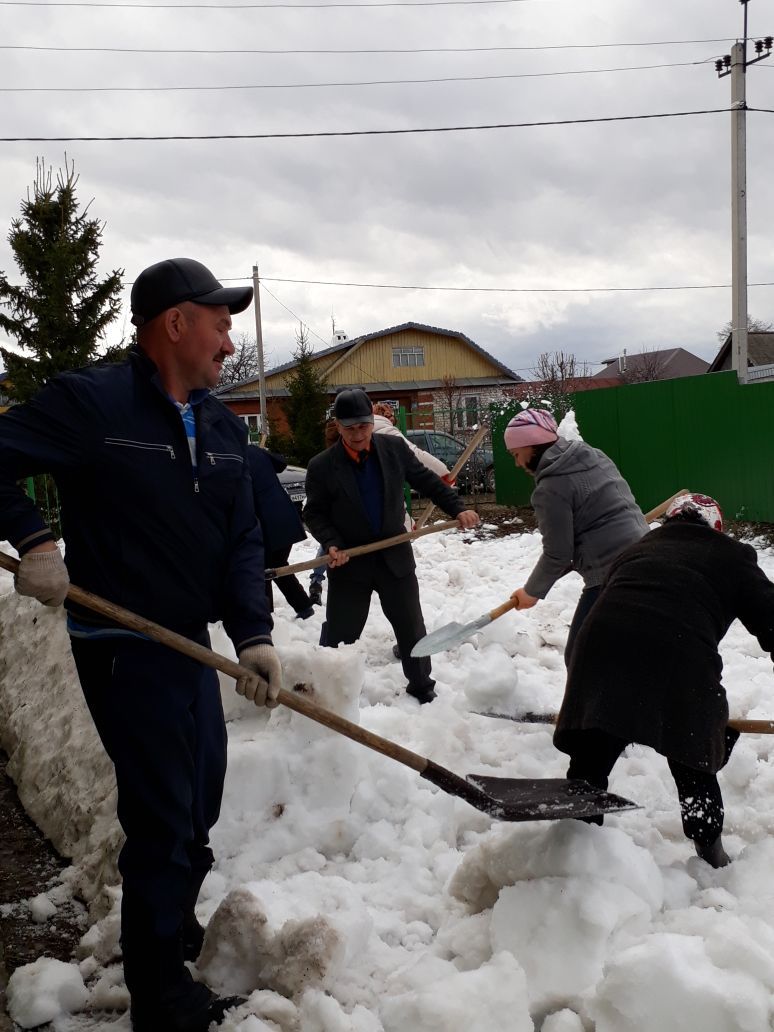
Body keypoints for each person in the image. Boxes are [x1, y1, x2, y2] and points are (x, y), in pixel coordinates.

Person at [0, 258, 284, 1031]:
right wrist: (34, 539)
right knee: (161, 815)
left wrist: (253, 634)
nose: (230, 343)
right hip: (122, 641)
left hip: (188, 642)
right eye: (221, 324)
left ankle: (168, 922)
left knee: (200, 800)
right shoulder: (92, 404)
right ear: (175, 324)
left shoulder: (225, 429)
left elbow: (243, 540)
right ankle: (162, 993)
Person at [554, 493, 774, 868]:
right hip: (677, 655)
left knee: (593, 752)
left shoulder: (639, 547)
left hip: (600, 649)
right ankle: (709, 849)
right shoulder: (732, 555)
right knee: (691, 750)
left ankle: (579, 840)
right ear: (716, 528)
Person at [303, 387, 480, 704]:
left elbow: (428, 482)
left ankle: (422, 686)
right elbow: (313, 513)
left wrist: (458, 508)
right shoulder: (322, 466)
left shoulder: (393, 448)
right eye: (350, 428)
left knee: (412, 627)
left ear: (372, 422)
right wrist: (331, 543)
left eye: (363, 426)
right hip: (350, 562)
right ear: (338, 427)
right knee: (340, 633)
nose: (358, 434)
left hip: (394, 557)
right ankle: (329, 690)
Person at [504, 408, 648, 663]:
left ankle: (594, 703)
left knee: (581, 656)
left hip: (610, 575)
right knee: (631, 649)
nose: (517, 463)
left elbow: (557, 553)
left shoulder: (550, 488)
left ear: (531, 445)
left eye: (517, 454)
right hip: (647, 553)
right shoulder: (594, 455)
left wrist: (531, 591)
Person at [371, 401, 454, 659]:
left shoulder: (366, 432)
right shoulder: (385, 431)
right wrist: (444, 473)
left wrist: (406, 523)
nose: (392, 418)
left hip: (372, 516)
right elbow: (416, 456)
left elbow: (389, 494)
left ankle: (332, 651)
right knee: (401, 597)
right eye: (391, 415)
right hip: (381, 534)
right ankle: (411, 647)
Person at [247, 444, 315, 620]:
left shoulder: (232, 457)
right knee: (273, 565)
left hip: (267, 522)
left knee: (264, 567)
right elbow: (280, 463)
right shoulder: (252, 451)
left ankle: (267, 615)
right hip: (284, 515)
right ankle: (302, 607)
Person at [308, 417, 341, 607]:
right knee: (330, 543)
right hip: (335, 503)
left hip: (329, 503)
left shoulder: (328, 448)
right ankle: (316, 580)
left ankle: (316, 580)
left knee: (327, 543)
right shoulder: (337, 450)